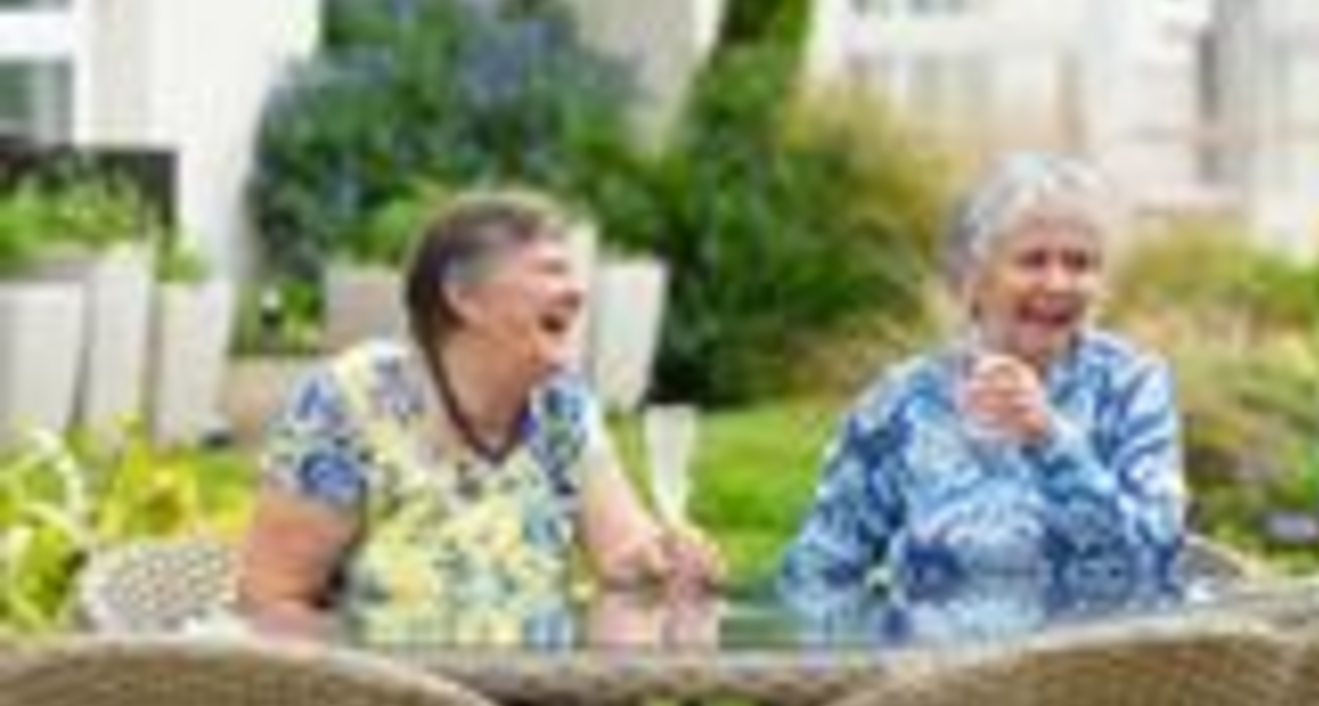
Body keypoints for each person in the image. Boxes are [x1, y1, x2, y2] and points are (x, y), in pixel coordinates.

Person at [240, 190, 719, 621]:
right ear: (463, 296)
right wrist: (361, 683)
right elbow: (270, 598)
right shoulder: (354, 399)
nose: (577, 292)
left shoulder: (563, 406)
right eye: (550, 270)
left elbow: (625, 557)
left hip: (538, 689)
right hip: (386, 689)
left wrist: (666, 561)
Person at [776, 152, 1186, 605]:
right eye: (1033, 261)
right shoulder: (902, 403)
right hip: (938, 651)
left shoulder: (1131, 386)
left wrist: (1052, 441)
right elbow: (821, 567)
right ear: (973, 277)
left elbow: (1158, 558)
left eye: (1080, 263)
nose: (1057, 283)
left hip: (1103, 651)